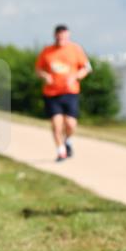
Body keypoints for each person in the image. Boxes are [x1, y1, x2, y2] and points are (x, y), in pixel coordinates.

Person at [35, 25, 91, 162]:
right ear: (55, 35)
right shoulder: (47, 51)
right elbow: (38, 69)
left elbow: (87, 68)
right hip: (52, 93)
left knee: (70, 124)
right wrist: (45, 76)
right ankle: (61, 152)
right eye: (60, 36)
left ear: (68, 36)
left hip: (70, 92)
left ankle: (68, 141)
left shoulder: (75, 49)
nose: (62, 39)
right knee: (56, 124)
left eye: (65, 36)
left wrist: (76, 77)